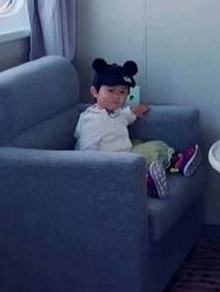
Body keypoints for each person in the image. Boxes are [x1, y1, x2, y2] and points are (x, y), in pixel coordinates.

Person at [75, 58, 201, 199]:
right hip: (112, 163)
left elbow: (123, 117)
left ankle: (170, 167)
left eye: (122, 92)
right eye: (110, 90)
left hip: (124, 151)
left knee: (153, 145)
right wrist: (95, 172)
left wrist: (133, 112)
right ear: (95, 92)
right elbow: (86, 152)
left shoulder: (114, 112)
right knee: (152, 152)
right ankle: (157, 177)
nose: (117, 96)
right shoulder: (92, 120)